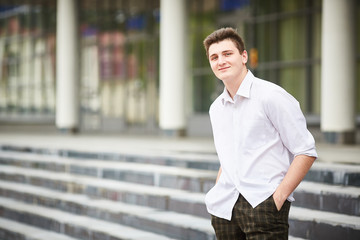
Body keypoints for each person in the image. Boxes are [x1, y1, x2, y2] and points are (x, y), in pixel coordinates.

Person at [203, 27, 317, 240]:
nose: (221, 61)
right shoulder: (216, 108)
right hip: (224, 207)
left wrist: (278, 198)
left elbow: (306, 150)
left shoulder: (271, 96)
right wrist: (217, 191)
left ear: (244, 56)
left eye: (227, 54)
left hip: (264, 205)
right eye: (214, 57)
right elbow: (227, 156)